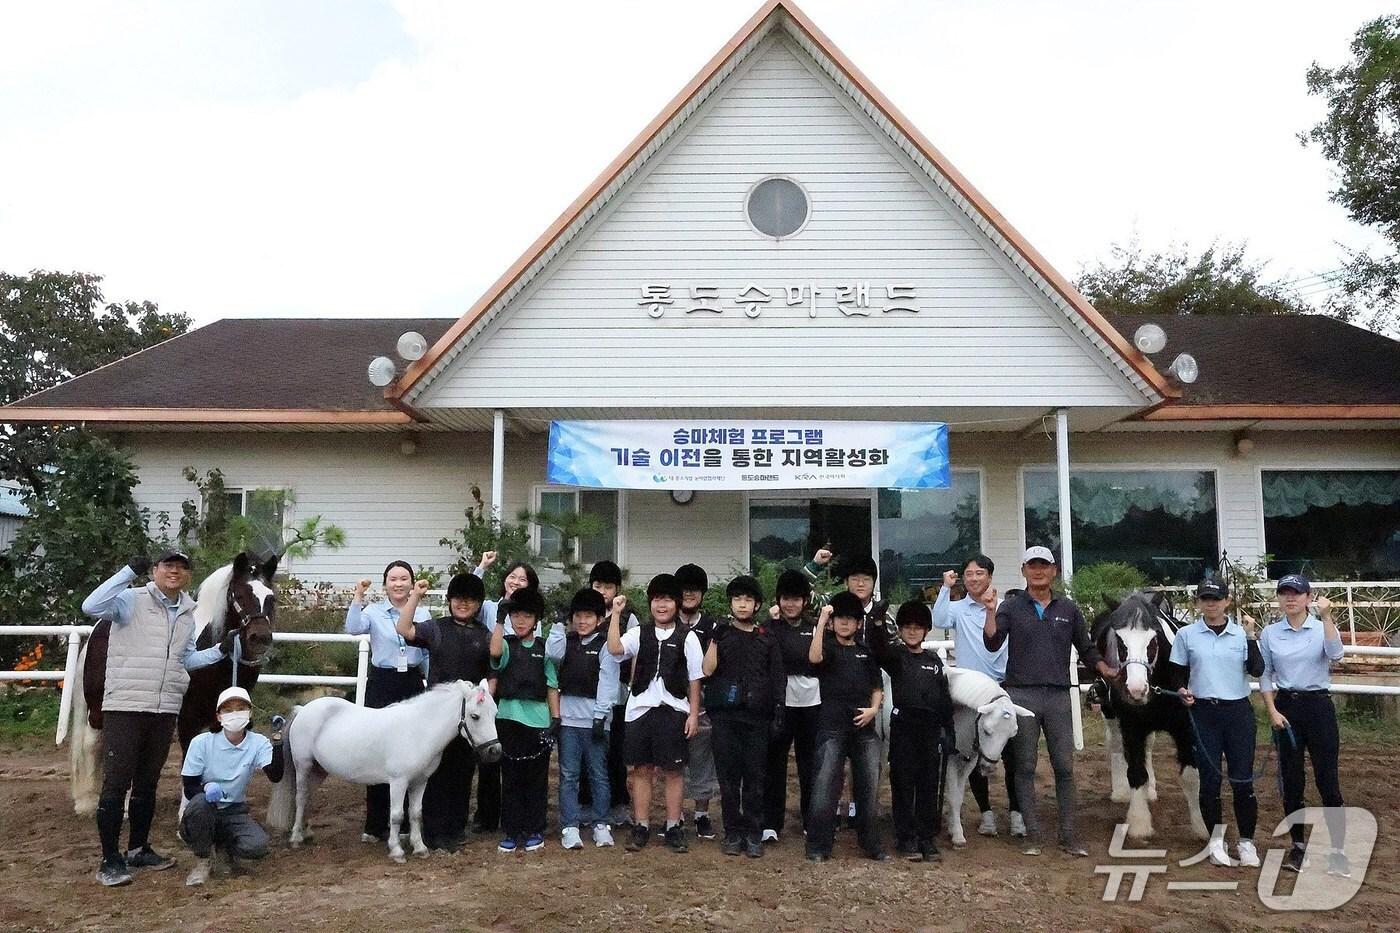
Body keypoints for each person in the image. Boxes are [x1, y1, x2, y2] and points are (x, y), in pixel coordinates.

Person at [81, 549, 233, 887]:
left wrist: (220, 650)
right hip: (126, 705)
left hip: (164, 709)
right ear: (154, 570)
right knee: (116, 783)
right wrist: (126, 572)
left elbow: (186, 659)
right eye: (168, 565)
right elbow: (90, 606)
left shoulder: (188, 613)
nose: (175, 571)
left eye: (181, 567)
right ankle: (109, 859)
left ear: (188, 575)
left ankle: (138, 848)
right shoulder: (130, 600)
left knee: (148, 783)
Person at [983, 546, 1117, 857]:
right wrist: (990, 610)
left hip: (1058, 696)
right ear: (1023, 571)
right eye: (1032, 565)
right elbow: (992, 642)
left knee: (1064, 767)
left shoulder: (1068, 609)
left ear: (1054, 571)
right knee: (1024, 766)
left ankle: (1068, 835)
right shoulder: (1011, 607)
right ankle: (1032, 835)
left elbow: (1086, 648)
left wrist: (1105, 669)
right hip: (1022, 695)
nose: (1038, 571)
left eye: (1043, 565)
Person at [1168, 572, 1264, 869]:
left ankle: (1246, 841)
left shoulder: (1240, 634)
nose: (1211, 604)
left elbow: (1257, 669)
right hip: (1204, 714)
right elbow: (1177, 673)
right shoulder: (1187, 635)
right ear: (1198, 602)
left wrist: (1251, 636)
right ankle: (1216, 842)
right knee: (1209, 782)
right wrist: (1181, 690)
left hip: (1237, 713)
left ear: (1227, 601)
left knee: (1242, 780)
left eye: (1216, 599)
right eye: (1205, 599)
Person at [394, 572, 496, 851]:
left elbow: (491, 674)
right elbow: (404, 629)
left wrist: (483, 702)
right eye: (458, 598)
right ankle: (431, 829)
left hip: (468, 719)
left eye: (470, 600)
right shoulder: (435, 628)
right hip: (435, 718)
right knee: (432, 773)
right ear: (450, 600)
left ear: (478, 604)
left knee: (462, 772)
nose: (463, 604)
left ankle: (455, 829)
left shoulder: (485, 636)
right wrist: (415, 596)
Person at [1259, 573, 1349, 876]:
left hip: (1318, 707)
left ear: (1308, 598)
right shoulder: (1270, 633)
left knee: (1328, 780)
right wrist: (1272, 710)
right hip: (1287, 707)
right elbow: (1265, 674)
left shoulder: (1320, 627)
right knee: (1292, 781)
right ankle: (1298, 846)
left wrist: (1327, 618)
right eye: (1284, 593)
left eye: (1296, 593)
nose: (1290, 598)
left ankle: (1337, 850)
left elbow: (1336, 655)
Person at [607, 573, 703, 853]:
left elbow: (695, 678)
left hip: (674, 710)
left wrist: (693, 714)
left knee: (673, 771)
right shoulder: (640, 633)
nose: (662, 605)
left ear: (676, 603)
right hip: (640, 710)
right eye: (657, 599)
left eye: (668, 600)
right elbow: (615, 649)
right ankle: (641, 826)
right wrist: (616, 614)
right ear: (650, 603)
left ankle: (673, 826)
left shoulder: (688, 637)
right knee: (641, 770)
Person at [933, 555, 1021, 838]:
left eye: (979, 573)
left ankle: (1017, 813)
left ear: (990, 577)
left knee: (1011, 755)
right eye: (968, 574)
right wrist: (945, 588)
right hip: (972, 695)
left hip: (1003, 688)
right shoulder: (958, 609)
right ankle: (986, 814)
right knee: (972, 753)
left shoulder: (1006, 608)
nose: (973, 578)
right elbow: (938, 619)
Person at [345, 561, 430, 843]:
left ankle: (405, 822)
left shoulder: (423, 612)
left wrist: (432, 682)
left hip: (412, 683)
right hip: (382, 682)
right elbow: (352, 628)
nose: (398, 584)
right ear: (385, 585)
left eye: (404, 579)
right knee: (379, 751)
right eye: (393, 579)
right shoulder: (373, 611)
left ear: (412, 583)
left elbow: (426, 653)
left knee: (410, 752)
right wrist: (358, 595)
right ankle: (375, 823)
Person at [702, 574, 784, 857]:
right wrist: (715, 639)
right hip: (725, 718)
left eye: (748, 599)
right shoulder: (721, 634)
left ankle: (753, 832)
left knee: (755, 779)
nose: (742, 604)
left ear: (757, 604)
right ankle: (732, 832)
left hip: (757, 719)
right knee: (728, 780)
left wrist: (778, 712)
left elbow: (778, 678)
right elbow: (707, 670)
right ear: (730, 603)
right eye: (737, 599)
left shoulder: (766, 638)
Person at [871, 601, 956, 862]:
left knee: (928, 784)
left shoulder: (934, 661)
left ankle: (926, 836)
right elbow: (879, 649)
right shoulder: (897, 657)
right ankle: (905, 836)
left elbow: (943, 698)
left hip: (929, 729)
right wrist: (877, 622)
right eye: (907, 626)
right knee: (903, 782)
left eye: (918, 627)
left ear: (926, 630)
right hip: (904, 727)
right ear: (900, 629)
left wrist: (948, 730)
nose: (912, 631)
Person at [805, 593, 887, 862]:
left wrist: (873, 710)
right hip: (832, 727)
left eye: (850, 619)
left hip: (864, 728)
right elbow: (814, 657)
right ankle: (818, 845)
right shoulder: (827, 648)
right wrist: (822, 620)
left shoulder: (866, 652)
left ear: (858, 624)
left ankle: (871, 843)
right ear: (833, 621)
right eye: (840, 618)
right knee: (825, 786)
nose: (844, 623)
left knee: (869, 788)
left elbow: (877, 687)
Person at [179, 686, 283, 885]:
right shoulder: (201, 742)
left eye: (241, 708)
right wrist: (206, 789)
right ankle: (203, 859)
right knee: (200, 805)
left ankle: (224, 848)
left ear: (250, 713)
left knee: (257, 845)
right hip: (205, 807)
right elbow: (189, 786)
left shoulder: (258, 743)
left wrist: (278, 741)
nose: (235, 714)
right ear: (218, 716)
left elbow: (275, 775)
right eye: (228, 710)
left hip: (234, 809)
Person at [546, 587, 622, 850]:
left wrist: (600, 716)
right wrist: (558, 623)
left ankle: (601, 823)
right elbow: (552, 654)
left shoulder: (604, 645)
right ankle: (570, 825)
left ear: (599, 619)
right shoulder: (566, 641)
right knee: (569, 775)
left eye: (588, 616)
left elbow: (609, 681)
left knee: (598, 774)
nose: (582, 621)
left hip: (595, 721)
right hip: (568, 721)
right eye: (577, 616)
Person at [489, 585, 559, 853]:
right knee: (511, 778)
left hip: (538, 720)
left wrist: (555, 718)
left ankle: (534, 828)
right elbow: (495, 653)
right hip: (508, 718)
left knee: (536, 779)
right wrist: (499, 620)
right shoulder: (507, 644)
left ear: (536, 620)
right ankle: (511, 829)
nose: (520, 621)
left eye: (527, 616)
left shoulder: (544, 648)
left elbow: (551, 685)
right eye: (516, 615)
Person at [761, 569, 822, 843]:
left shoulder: (815, 627)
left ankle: (811, 819)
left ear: (805, 601)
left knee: (810, 765)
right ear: (779, 600)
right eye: (786, 598)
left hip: (811, 704)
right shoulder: (769, 628)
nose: (790, 604)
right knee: (774, 764)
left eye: (796, 599)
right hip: (780, 703)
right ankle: (770, 823)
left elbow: (818, 660)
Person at [587, 559, 640, 827]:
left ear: (617, 589)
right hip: (587, 692)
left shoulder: (629, 617)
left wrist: (631, 686)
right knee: (589, 749)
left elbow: (635, 654)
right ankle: (587, 803)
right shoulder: (583, 612)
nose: (603, 591)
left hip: (618, 693)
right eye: (598, 585)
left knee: (616, 751)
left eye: (608, 586)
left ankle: (618, 804)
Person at [675, 562, 721, 841]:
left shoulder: (712, 627)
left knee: (703, 757)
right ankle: (676, 813)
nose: (689, 594)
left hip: (704, 699)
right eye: (684, 590)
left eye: (694, 590)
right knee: (673, 759)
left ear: (702, 594)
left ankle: (702, 813)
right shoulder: (666, 623)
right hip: (672, 698)